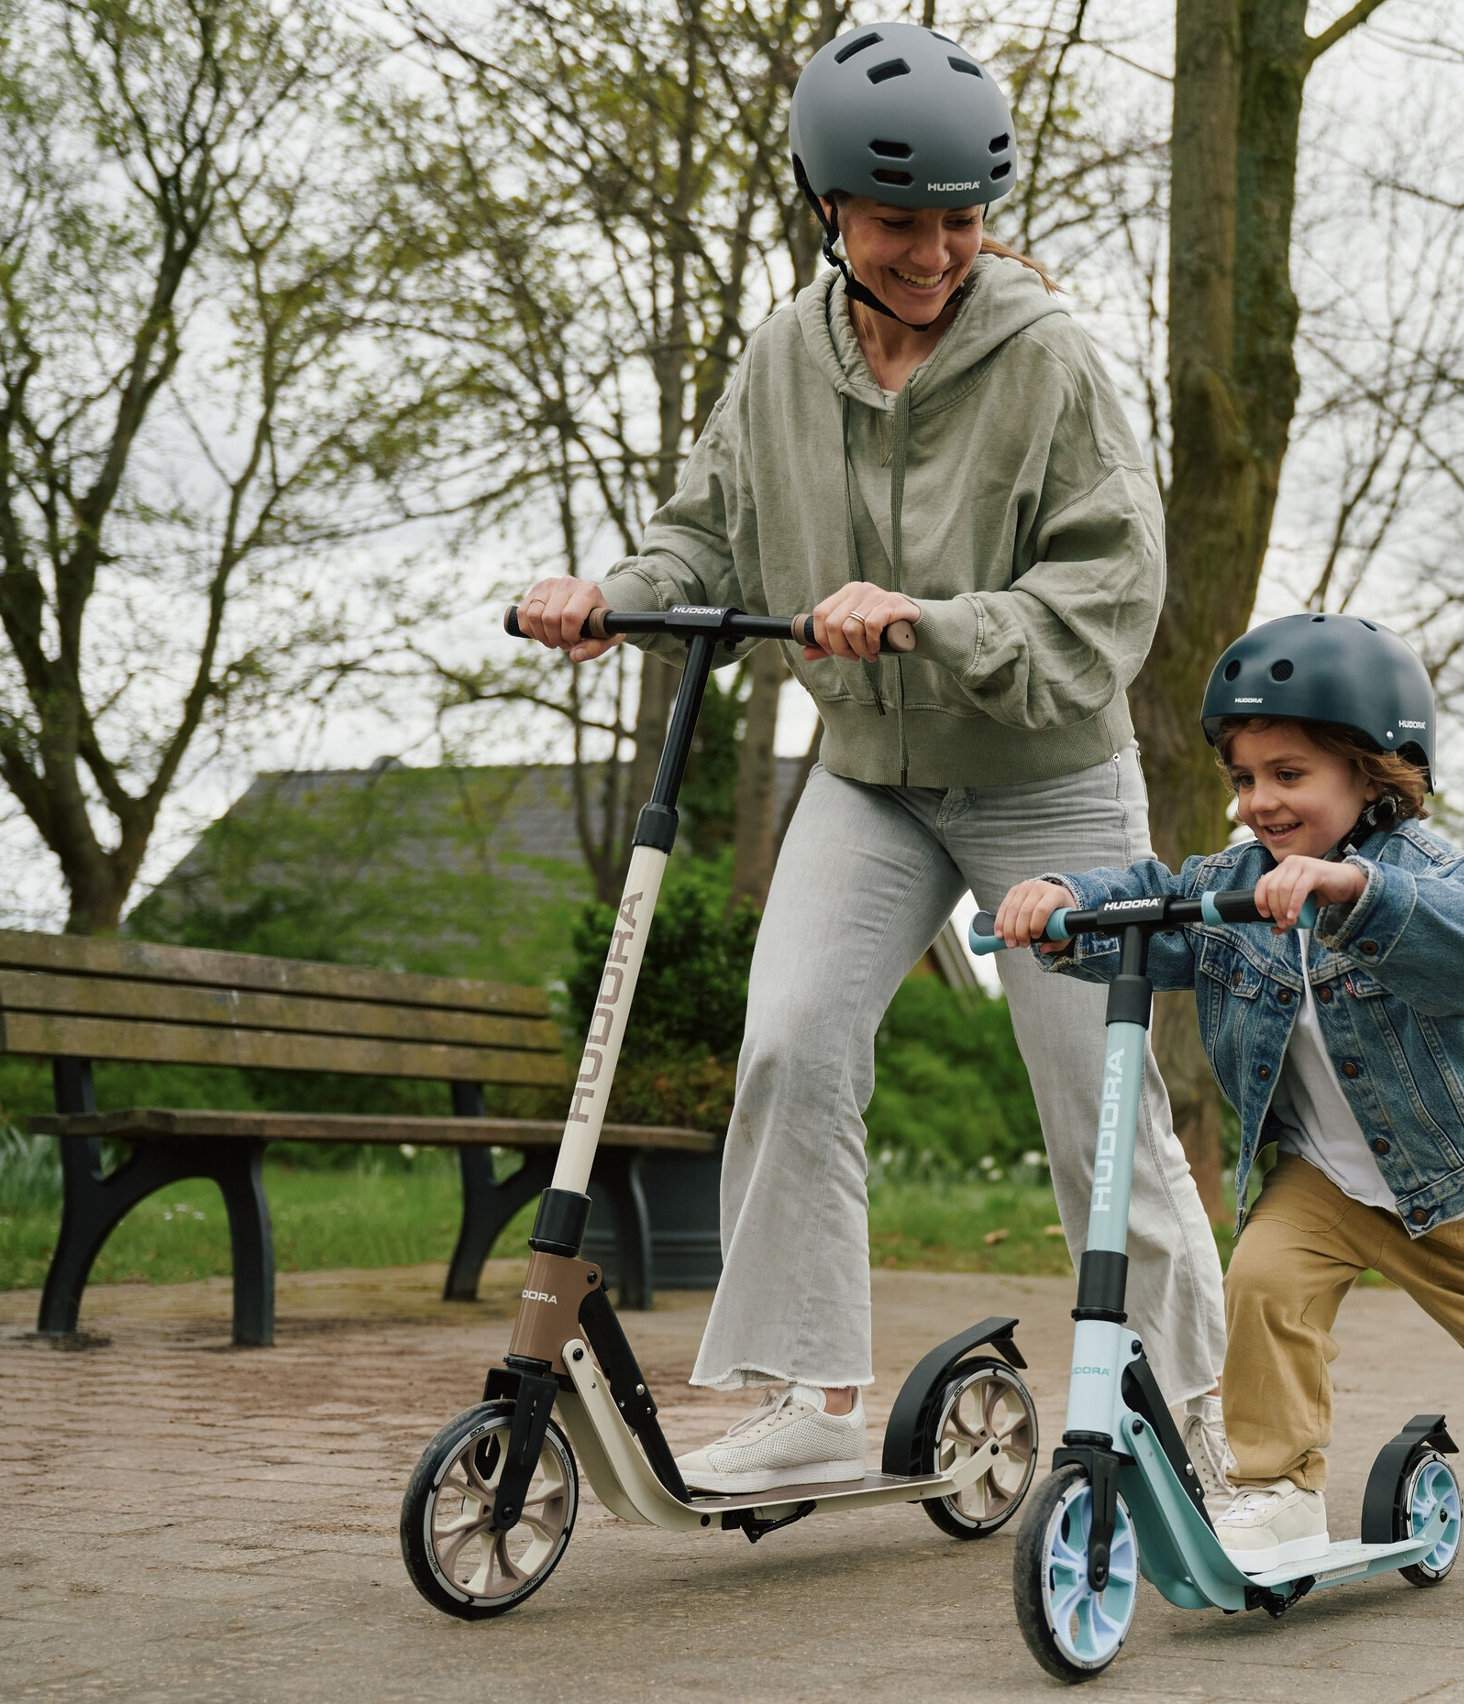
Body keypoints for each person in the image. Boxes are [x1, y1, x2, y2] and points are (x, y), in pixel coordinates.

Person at [513, 21, 1231, 1498]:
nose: (935, 252)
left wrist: (931, 620)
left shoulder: (1054, 367)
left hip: (1045, 772)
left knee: (1096, 1103)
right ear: (828, 206)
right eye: (902, 222)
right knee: (790, 1043)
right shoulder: (782, 355)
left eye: (963, 220)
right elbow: (707, 525)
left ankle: (1192, 1414)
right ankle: (811, 1396)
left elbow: (1108, 604)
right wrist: (614, 594)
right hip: (868, 778)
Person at [994, 612, 1464, 1573]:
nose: (1258, 803)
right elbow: (1154, 898)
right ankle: (1278, 1491)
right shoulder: (1236, 882)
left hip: (1443, 1181)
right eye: (1244, 778)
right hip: (1317, 1179)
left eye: (1288, 775)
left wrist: (1352, 892)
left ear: (1374, 772)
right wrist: (1062, 903)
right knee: (1263, 1289)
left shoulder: (1432, 874)